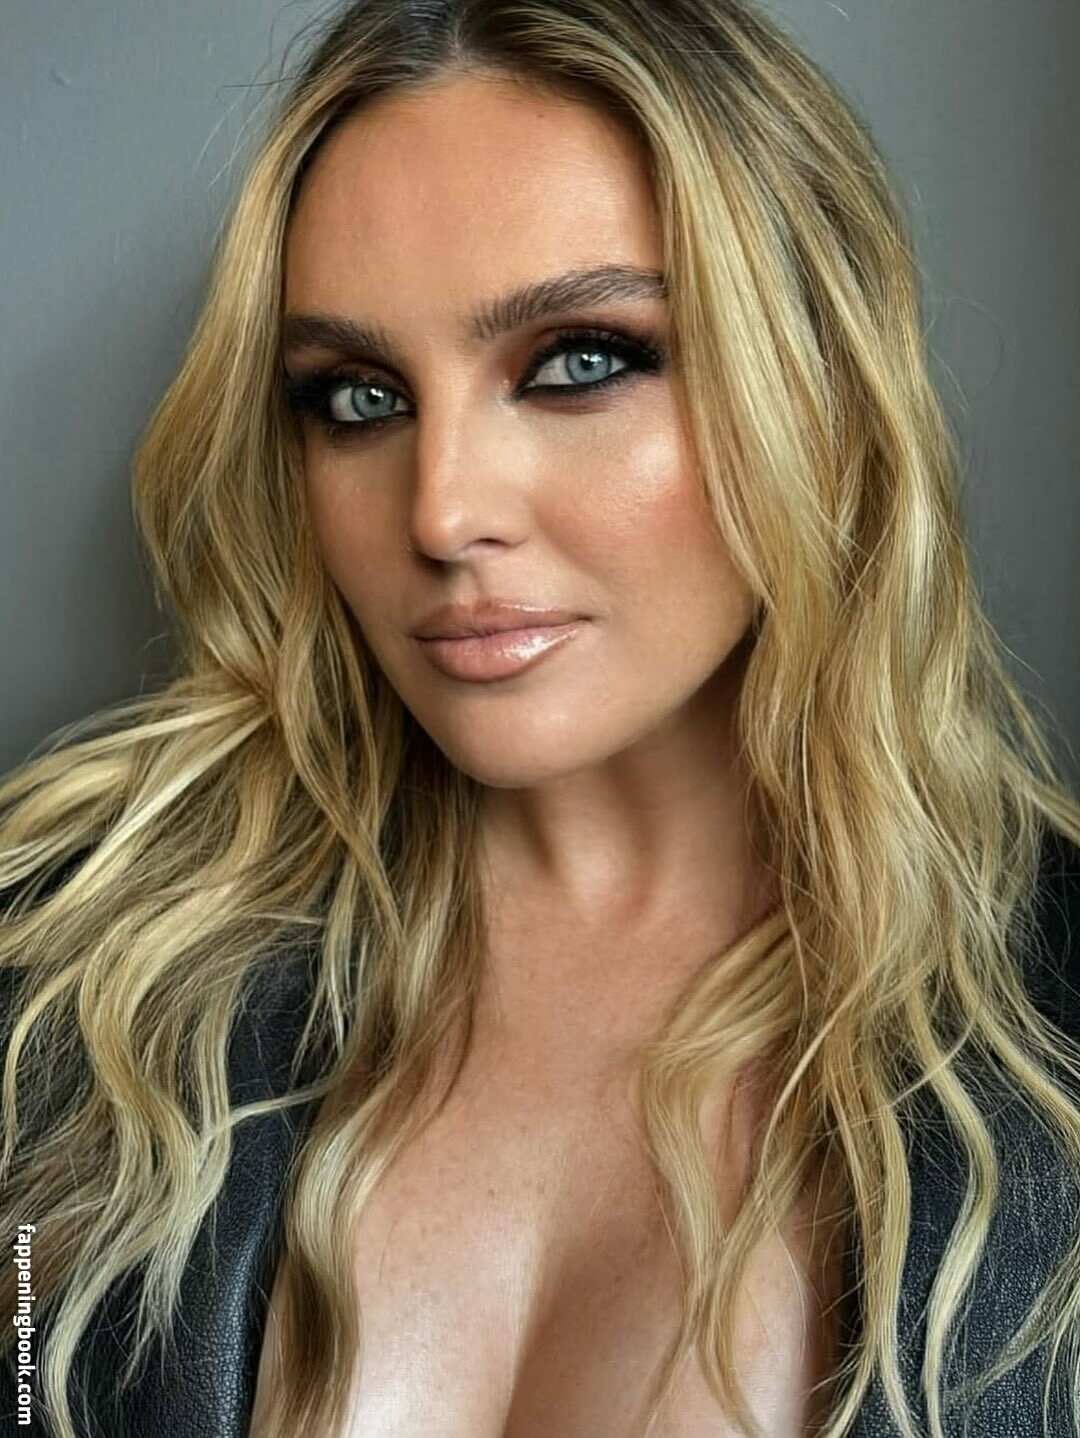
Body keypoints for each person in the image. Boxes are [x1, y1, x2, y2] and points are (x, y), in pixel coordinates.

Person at [2, 1, 1079, 1435]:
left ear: (815, 387)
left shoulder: (1051, 1032)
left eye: (579, 361)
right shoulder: (78, 969)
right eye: (358, 397)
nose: (442, 511)